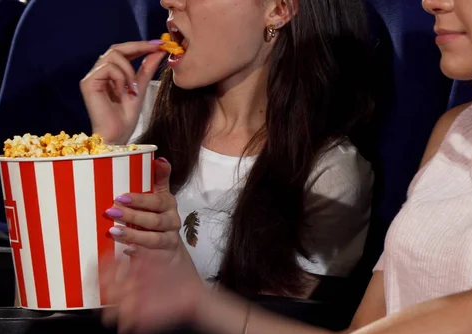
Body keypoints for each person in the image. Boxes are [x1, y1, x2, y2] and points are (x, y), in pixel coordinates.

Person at [99, 0, 472, 334]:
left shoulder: (329, 168)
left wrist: (202, 305)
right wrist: (107, 148)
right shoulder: (458, 129)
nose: (432, 1)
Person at [80, 0, 374, 299]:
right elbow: (76, 283)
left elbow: (262, 327)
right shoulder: (136, 110)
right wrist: (105, 146)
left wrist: (172, 260)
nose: (168, 1)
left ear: (278, 10)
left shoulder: (328, 176)